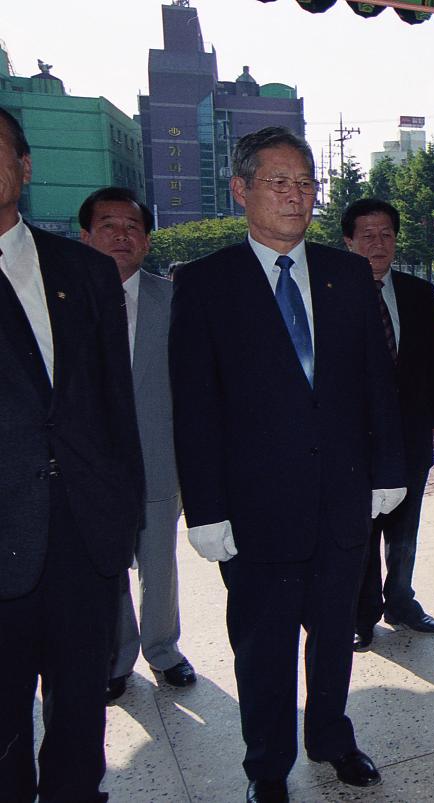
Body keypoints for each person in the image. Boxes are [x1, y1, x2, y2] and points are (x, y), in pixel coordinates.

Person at [169, 126, 406, 803]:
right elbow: (195, 406)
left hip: (342, 500)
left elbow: (376, 384)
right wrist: (206, 509)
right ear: (241, 189)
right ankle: (266, 767)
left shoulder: (347, 272)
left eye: (306, 182)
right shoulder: (206, 283)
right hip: (255, 508)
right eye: (280, 181)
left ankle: (331, 736)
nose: (296, 195)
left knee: (334, 635)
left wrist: (388, 468)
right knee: (264, 649)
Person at [0, 108, 144, 801]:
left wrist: (124, 520)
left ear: (24, 167)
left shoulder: (83, 272)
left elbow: (117, 406)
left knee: (81, 707)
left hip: (84, 535)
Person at [79, 187, 196, 702]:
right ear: (86, 236)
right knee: (105, 567)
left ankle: (164, 651)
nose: (121, 236)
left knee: (158, 561)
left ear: (147, 241)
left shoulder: (174, 301)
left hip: (157, 455)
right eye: (108, 225)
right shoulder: (61, 300)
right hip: (87, 463)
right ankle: (116, 656)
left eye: (132, 228)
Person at [342, 198, 434, 650]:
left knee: (405, 525)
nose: (377, 243)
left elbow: (433, 360)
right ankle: (361, 612)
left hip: (409, 432)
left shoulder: (417, 292)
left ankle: (401, 600)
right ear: (348, 241)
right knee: (362, 528)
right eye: (366, 234)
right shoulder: (331, 294)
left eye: (386, 233)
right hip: (355, 437)